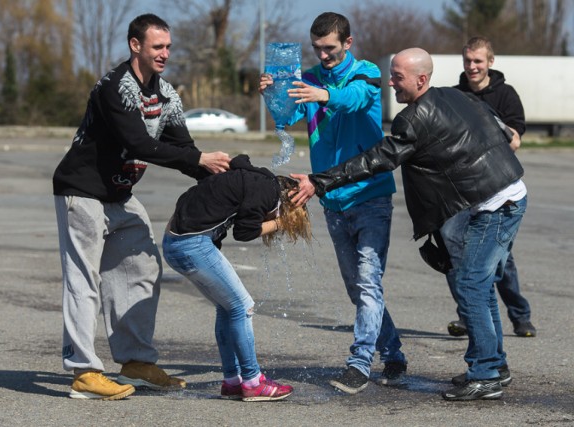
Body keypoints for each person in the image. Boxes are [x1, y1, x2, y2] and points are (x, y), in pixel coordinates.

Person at [291, 48, 527, 401]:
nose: (390, 82)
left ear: (421, 79)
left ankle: (488, 373)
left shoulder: (413, 119)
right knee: (476, 281)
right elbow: (498, 125)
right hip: (501, 194)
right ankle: (493, 364)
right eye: (391, 74)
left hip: (497, 202)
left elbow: (377, 159)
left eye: (397, 77)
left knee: (471, 283)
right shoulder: (454, 94)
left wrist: (319, 180)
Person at [52, 13, 231, 400]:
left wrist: (228, 183)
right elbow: (138, 144)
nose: (165, 53)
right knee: (84, 280)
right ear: (136, 46)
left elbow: (184, 149)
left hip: (119, 196)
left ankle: (135, 361)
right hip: (81, 192)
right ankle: (83, 371)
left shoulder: (166, 94)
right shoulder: (114, 88)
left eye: (168, 46)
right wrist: (200, 159)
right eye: (157, 47)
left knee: (143, 265)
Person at [259, 12, 407, 395]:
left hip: (369, 195)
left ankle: (359, 364)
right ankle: (393, 352)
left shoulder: (368, 72)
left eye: (330, 48)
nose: (323, 56)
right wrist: (273, 93)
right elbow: (288, 115)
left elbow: (356, 100)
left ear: (348, 42)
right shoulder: (305, 78)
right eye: (317, 49)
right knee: (359, 288)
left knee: (369, 283)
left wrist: (325, 94)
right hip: (331, 199)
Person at [162, 154, 311, 402]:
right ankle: (252, 382)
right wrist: (279, 224)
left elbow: (240, 159)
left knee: (227, 307)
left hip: (176, 242)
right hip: (191, 244)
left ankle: (233, 381)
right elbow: (245, 232)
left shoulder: (258, 178)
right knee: (242, 306)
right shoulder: (266, 191)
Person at [444, 36, 536, 339]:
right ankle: (469, 314)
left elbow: (515, 141)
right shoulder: (455, 95)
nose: (472, 66)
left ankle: (520, 316)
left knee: (501, 260)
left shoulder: (506, 95)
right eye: (468, 61)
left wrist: (490, 123)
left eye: (478, 61)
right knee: (454, 250)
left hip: (496, 190)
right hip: (461, 192)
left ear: (490, 62)